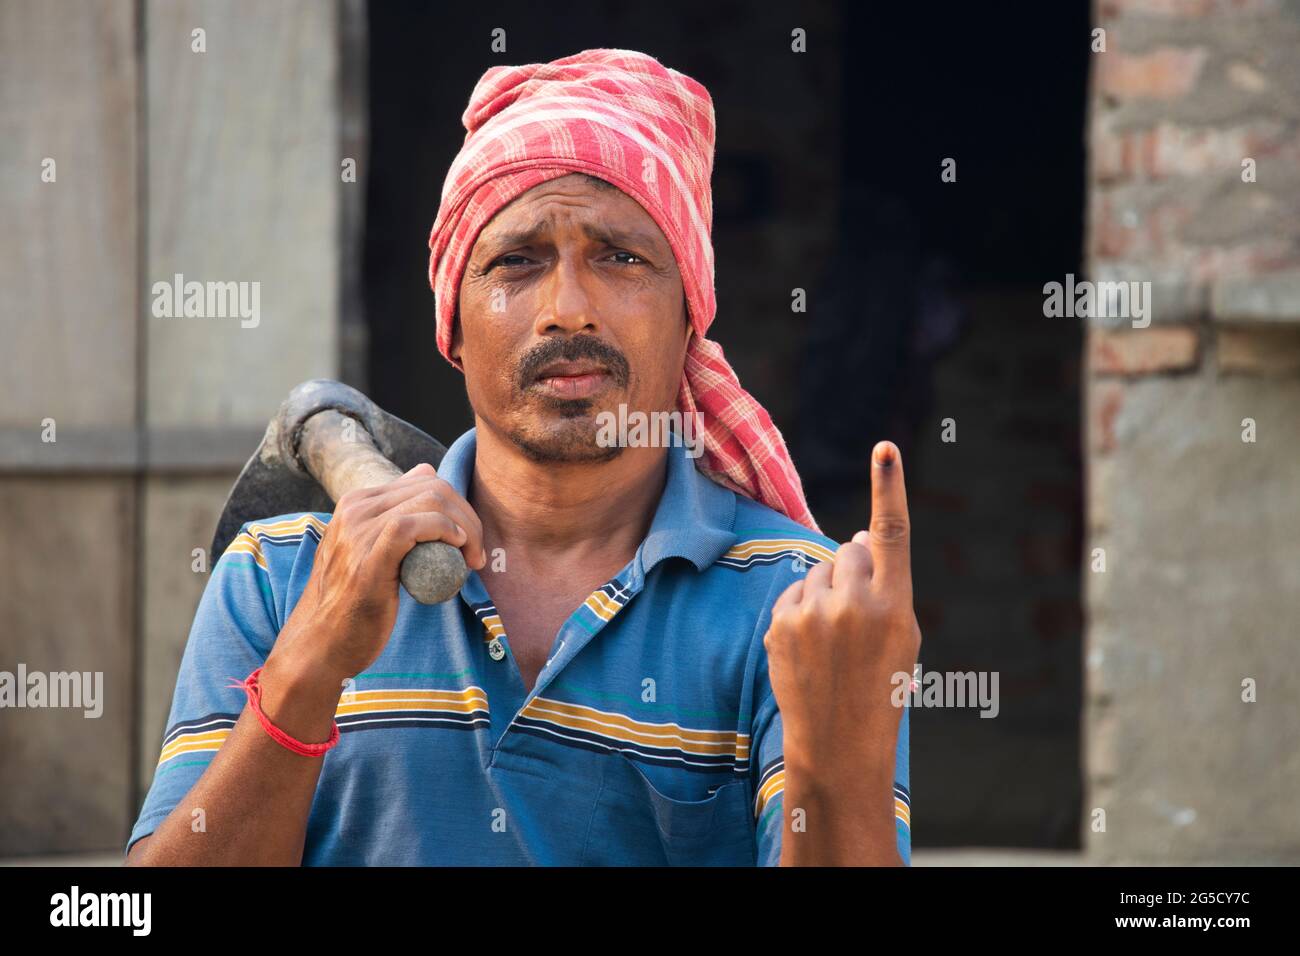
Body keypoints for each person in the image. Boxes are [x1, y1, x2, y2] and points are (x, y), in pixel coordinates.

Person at [125, 49, 920, 866]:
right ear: (454, 326)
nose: (567, 310)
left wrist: (837, 767)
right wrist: (310, 664)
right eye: (517, 261)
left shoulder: (800, 607)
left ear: (690, 315)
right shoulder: (281, 577)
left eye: (621, 257)